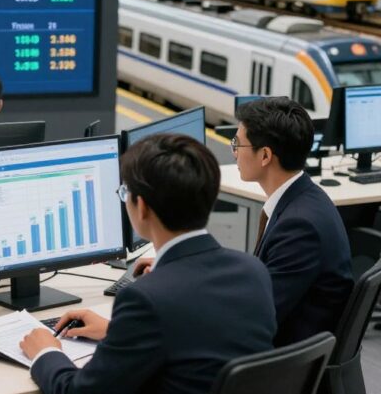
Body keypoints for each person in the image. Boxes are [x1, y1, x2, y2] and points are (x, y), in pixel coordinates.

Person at [20, 134, 276, 394]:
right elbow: (199, 341)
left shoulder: (145, 298)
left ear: (141, 207)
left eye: (124, 193)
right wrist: (116, 333)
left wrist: (46, 352)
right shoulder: (253, 271)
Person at [232, 97, 353, 346]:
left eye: (238, 144)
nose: (234, 152)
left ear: (265, 155)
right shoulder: (305, 198)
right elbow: (265, 276)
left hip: (284, 365)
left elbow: (255, 317)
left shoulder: (299, 227)